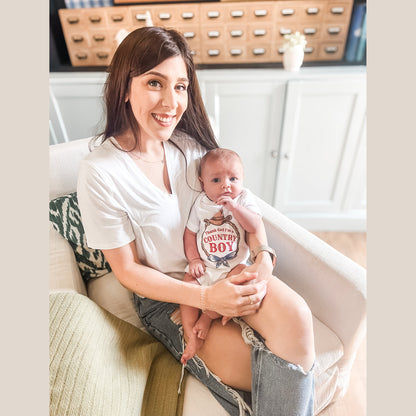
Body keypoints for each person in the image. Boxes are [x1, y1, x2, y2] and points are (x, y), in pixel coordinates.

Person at [77, 26, 315, 416]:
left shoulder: (193, 150)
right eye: (155, 82)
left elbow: (246, 211)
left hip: (228, 269)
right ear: (124, 87)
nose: (171, 102)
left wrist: (264, 258)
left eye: (181, 86)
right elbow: (127, 270)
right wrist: (206, 299)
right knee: (271, 370)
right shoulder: (100, 171)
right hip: (169, 295)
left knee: (298, 320)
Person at [180, 148, 264, 365]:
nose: (226, 185)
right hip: (206, 267)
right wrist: (194, 260)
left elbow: (254, 225)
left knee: (243, 276)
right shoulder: (201, 204)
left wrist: (234, 208)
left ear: (242, 178)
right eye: (216, 180)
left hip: (232, 268)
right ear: (203, 183)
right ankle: (190, 332)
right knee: (187, 284)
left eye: (233, 179)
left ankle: (207, 317)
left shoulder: (243, 199)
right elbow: (190, 234)